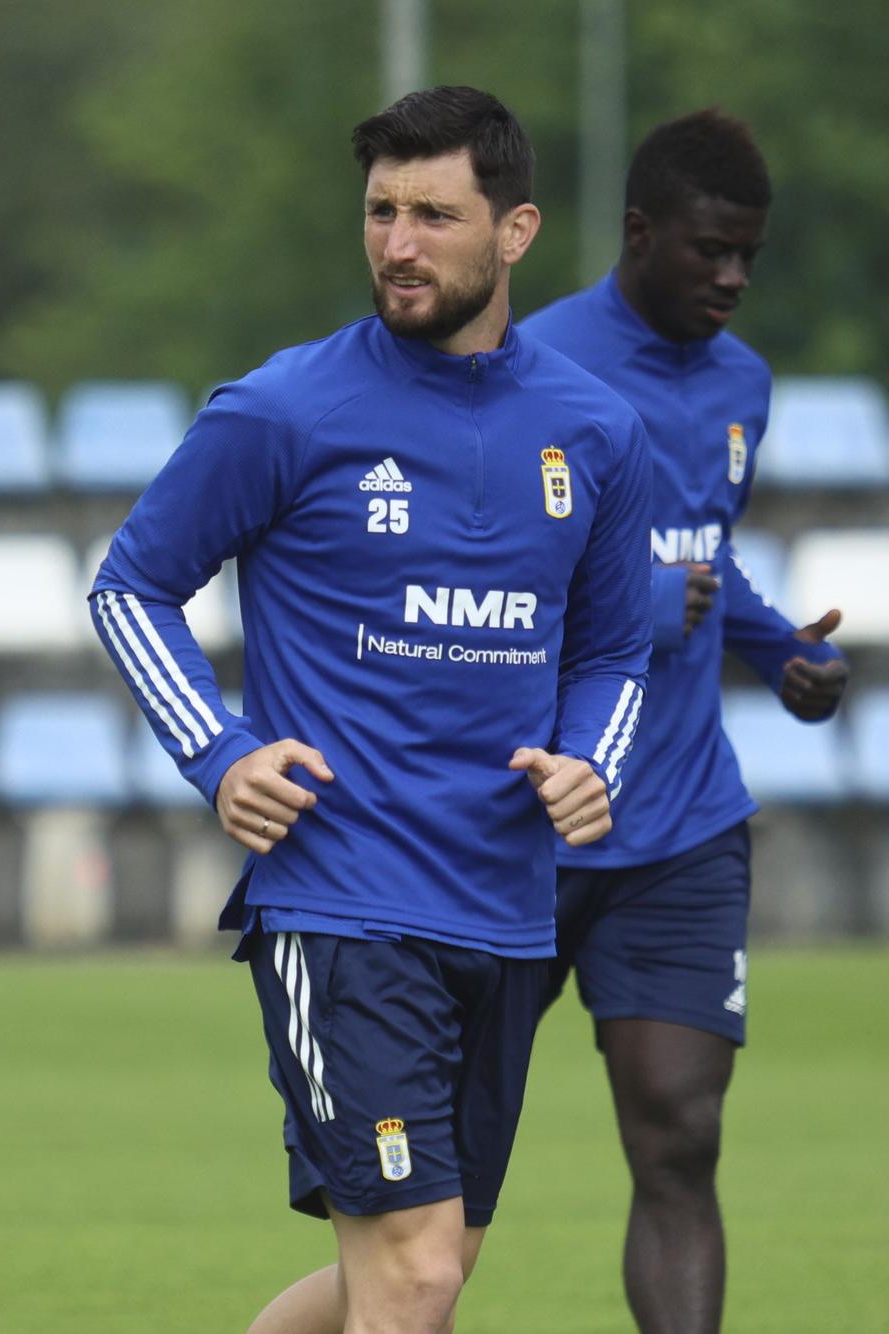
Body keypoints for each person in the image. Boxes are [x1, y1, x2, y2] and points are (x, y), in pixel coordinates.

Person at [91, 86, 654, 1333]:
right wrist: (216, 750)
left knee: (417, 1274)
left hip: (505, 911)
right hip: (342, 901)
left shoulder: (596, 431)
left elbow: (616, 648)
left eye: (433, 215)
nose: (397, 243)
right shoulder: (281, 409)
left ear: (512, 232)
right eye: (379, 211)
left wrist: (587, 762)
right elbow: (129, 586)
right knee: (407, 1279)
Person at [519, 109, 847, 1334]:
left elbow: (708, 557)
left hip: (681, 821)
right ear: (637, 231)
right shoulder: (529, 368)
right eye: (709, 249)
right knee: (447, 1157)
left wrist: (780, 655)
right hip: (530, 814)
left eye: (747, 255)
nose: (731, 278)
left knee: (681, 1133)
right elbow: (469, 582)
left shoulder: (740, 384)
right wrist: (641, 602)